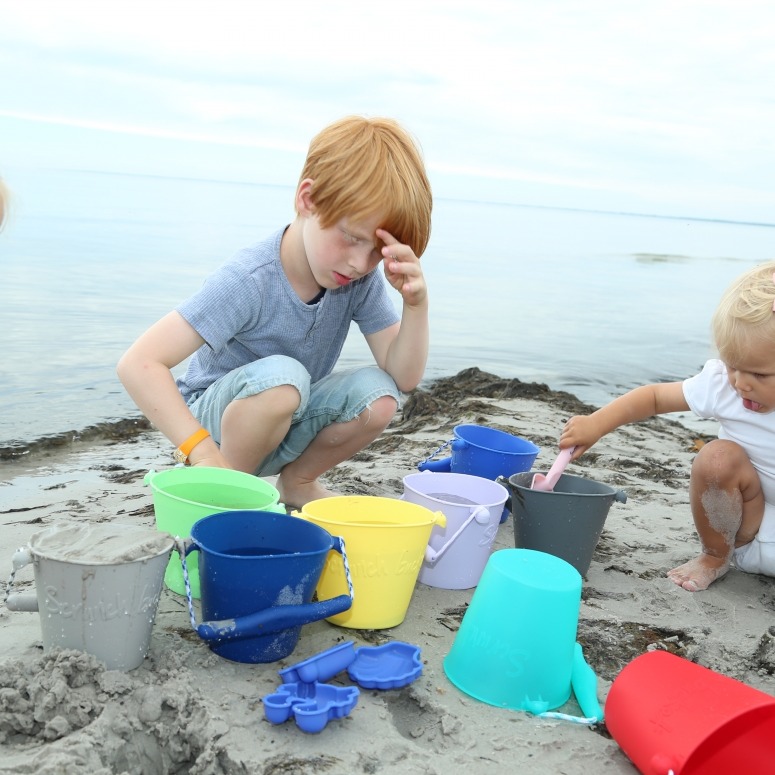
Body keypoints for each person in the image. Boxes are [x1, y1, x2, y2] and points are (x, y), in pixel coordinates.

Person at [117, 115, 432, 508]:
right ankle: (227, 488)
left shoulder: (358, 282)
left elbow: (403, 376)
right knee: (284, 379)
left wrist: (415, 304)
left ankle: (297, 483)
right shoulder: (250, 279)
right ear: (308, 199)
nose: (358, 263)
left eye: (376, 252)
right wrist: (201, 453)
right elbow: (139, 363)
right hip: (215, 427)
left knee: (379, 396)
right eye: (351, 237)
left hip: (285, 416)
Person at [560, 261, 775, 592]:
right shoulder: (722, 386)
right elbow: (656, 397)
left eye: (759, 375)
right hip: (749, 530)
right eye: (733, 366)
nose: (741, 383)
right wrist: (596, 423)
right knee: (717, 457)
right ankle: (714, 556)